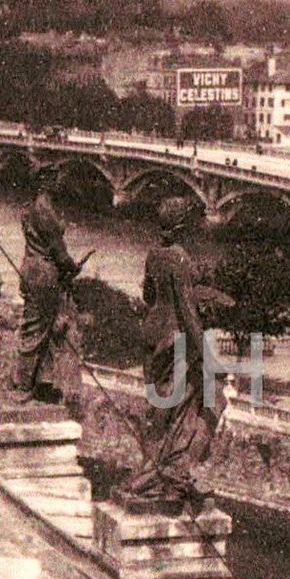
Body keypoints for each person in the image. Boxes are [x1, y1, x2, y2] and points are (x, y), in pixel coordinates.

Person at [118, 197, 232, 509]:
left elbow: (148, 294)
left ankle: (154, 468)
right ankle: (172, 471)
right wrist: (210, 358)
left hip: (153, 331)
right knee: (205, 400)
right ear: (182, 226)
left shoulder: (155, 255)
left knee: (161, 404)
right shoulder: (180, 258)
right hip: (175, 337)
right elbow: (187, 312)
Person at [9, 167, 82, 403]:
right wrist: (72, 267)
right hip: (44, 273)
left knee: (44, 327)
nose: (59, 182)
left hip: (33, 269)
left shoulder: (37, 205)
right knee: (37, 327)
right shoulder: (44, 209)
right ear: (45, 182)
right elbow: (58, 251)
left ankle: (39, 383)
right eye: (55, 179)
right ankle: (22, 385)